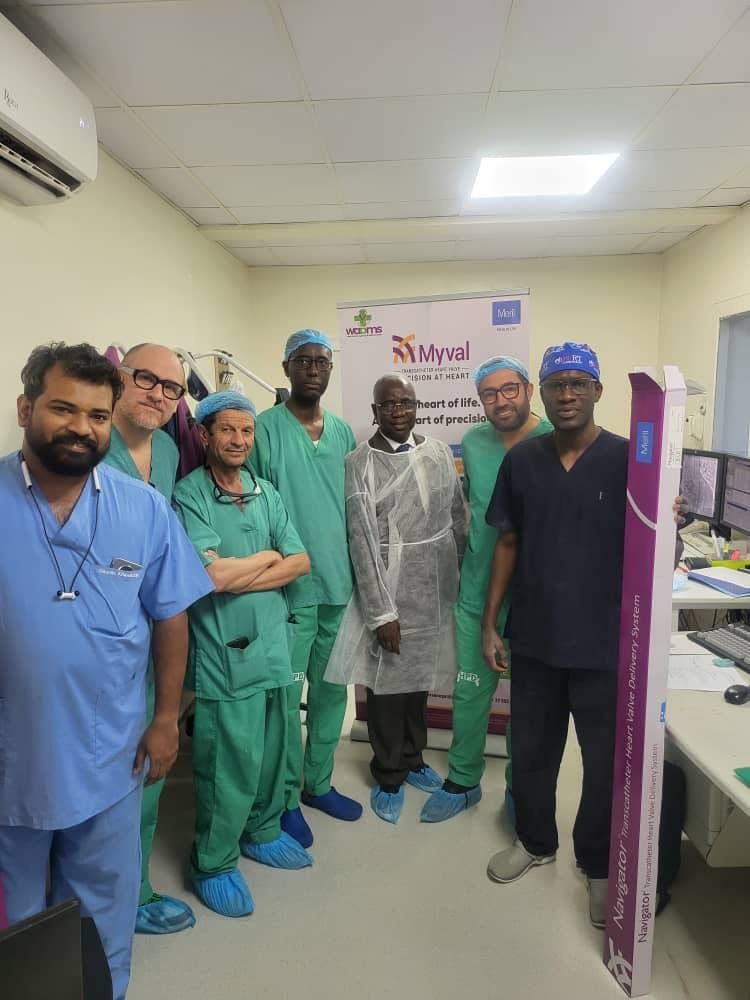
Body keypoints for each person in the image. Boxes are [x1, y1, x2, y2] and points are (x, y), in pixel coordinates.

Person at [0, 343, 212, 999]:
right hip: (12, 761)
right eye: (63, 409)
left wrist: (166, 719)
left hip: (110, 754)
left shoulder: (141, 508)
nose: (81, 428)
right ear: (26, 408)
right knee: (16, 926)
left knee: (101, 916)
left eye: (96, 415)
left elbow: (170, 614)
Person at [480, 342, 686, 929]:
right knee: (531, 752)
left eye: (577, 383)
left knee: (603, 763)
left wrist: (673, 514)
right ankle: (534, 841)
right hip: (536, 637)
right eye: (556, 385)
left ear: (598, 390)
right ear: (540, 394)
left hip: (606, 642)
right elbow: (507, 541)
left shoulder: (630, 459)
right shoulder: (522, 461)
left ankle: (598, 863)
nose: (566, 394)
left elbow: (659, 542)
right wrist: (490, 622)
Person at [173, 391, 313, 918]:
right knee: (229, 761)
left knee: (276, 750)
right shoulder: (190, 494)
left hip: (273, 645)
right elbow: (211, 578)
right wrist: (268, 557)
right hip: (224, 651)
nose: (238, 440)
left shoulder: (264, 491)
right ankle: (212, 861)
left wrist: (245, 570)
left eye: (247, 431)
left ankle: (262, 830)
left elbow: (300, 561)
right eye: (227, 430)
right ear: (204, 435)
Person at [325, 375, 467, 823]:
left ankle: (413, 756)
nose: (399, 412)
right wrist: (381, 612)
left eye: (406, 403)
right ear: (375, 411)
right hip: (389, 585)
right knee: (386, 683)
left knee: (418, 680)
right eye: (389, 405)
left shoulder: (438, 452)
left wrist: (459, 576)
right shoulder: (360, 462)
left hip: (435, 585)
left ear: (416, 405)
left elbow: (457, 516)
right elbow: (362, 541)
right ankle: (388, 773)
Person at [421, 356, 553, 824]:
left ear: (529, 389)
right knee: (471, 690)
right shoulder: (474, 442)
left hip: (536, 595)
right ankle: (463, 781)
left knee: (530, 704)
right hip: (478, 589)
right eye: (489, 394)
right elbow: (471, 510)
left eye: (509, 389)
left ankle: (520, 788)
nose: (500, 401)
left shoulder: (555, 438)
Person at [250, 330, 362, 848]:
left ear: (330, 369)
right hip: (289, 589)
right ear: (287, 367)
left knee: (332, 691)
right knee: (285, 697)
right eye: (303, 361)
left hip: (338, 583)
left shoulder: (341, 433)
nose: (313, 369)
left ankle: (318, 783)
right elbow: (251, 505)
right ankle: (284, 799)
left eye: (322, 361)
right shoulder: (263, 429)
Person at [104, 342, 196, 936]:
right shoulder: (88, 449)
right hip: (97, 635)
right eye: (145, 379)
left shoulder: (166, 451)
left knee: (148, 771)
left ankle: (132, 894)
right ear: (118, 376)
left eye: (171, 388)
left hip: (149, 629)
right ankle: (91, 905)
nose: (158, 395)